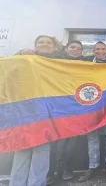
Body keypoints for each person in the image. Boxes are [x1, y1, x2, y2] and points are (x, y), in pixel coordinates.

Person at [10, 35, 64, 186]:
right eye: (41, 42)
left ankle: (37, 183)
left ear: (54, 47)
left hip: (46, 112)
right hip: (24, 112)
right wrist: (19, 53)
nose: (45, 45)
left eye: (48, 42)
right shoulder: (25, 58)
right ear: (35, 45)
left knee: (42, 151)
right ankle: (16, 183)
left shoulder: (59, 62)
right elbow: (7, 69)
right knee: (22, 150)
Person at [78, 41, 106, 181]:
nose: (100, 51)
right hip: (91, 106)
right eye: (97, 49)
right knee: (92, 137)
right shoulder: (86, 62)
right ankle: (93, 166)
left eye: (102, 49)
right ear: (93, 51)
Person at [47, 40, 86, 184]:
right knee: (54, 141)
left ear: (82, 51)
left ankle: (66, 168)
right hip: (55, 107)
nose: (75, 50)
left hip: (75, 108)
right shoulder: (55, 60)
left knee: (71, 142)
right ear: (66, 49)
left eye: (79, 48)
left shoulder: (86, 64)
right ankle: (51, 171)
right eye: (72, 47)